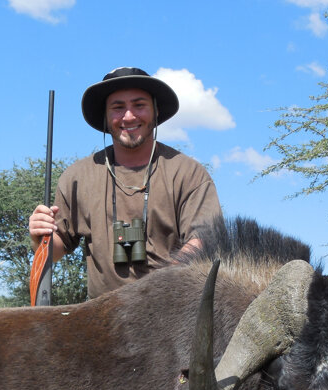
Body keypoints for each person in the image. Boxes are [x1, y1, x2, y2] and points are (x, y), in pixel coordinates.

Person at [29, 66, 223, 299]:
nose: (129, 116)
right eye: (118, 108)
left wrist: (154, 291)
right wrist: (40, 235)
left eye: (139, 105)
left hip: (172, 310)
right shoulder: (77, 176)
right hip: (101, 318)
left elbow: (202, 241)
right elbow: (58, 247)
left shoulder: (189, 173)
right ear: (105, 116)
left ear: (156, 111)